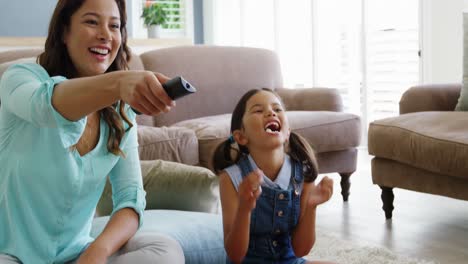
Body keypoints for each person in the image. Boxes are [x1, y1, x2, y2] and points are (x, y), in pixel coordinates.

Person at [0, 0, 185, 263]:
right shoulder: (19, 78)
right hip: (9, 254)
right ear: (64, 32)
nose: (105, 35)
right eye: (91, 22)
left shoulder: (121, 113)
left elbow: (130, 199)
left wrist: (96, 253)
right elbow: (45, 106)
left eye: (114, 26)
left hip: (75, 255)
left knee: (162, 250)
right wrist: (120, 82)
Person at [213, 88, 336, 264]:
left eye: (277, 109)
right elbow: (235, 255)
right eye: (258, 110)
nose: (271, 112)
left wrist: (311, 206)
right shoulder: (230, 178)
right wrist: (244, 208)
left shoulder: (303, 174)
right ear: (241, 137)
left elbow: (301, 250)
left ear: (287, 132)